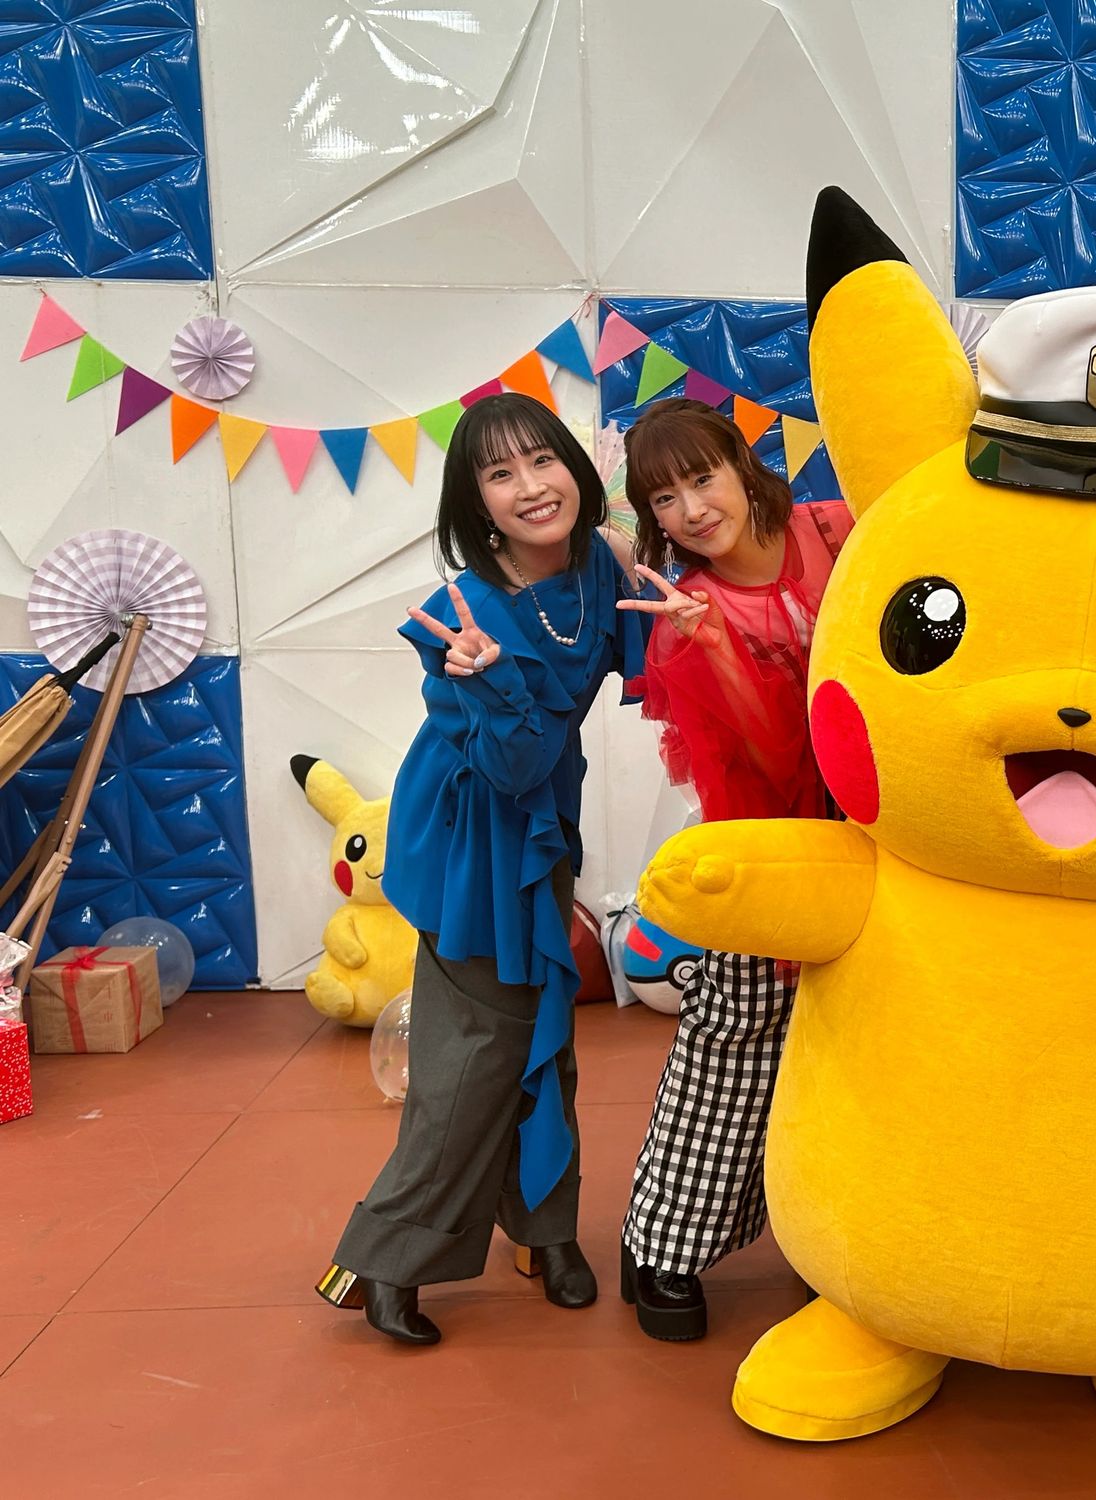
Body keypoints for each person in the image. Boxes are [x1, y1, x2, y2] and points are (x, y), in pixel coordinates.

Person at [317, 393, 649, 1345]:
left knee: (545, 1030)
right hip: (474, 835)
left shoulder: (601, 563)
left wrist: (703, 627)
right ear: (477, 503)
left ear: (574, 469)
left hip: (542, 827)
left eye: (541, 461)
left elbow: (650, 680)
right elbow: (511, 764)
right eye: (498, 475)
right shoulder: (458, 611)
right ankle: (383, 1258)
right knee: (472, 1058)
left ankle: (544, 1233)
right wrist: (490, 674)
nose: (530, 488)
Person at [614, 398, 854, 1341]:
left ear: (740, 462)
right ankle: (660, 1247)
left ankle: (838, 1247)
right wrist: (713, 648)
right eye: (663, 498)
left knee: (857, 1048)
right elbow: (771, 759)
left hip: (894, 830)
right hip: (777, 840)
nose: (691, 509)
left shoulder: (837, 529)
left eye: (701, 477)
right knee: (736, 1035)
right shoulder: (687, 613)